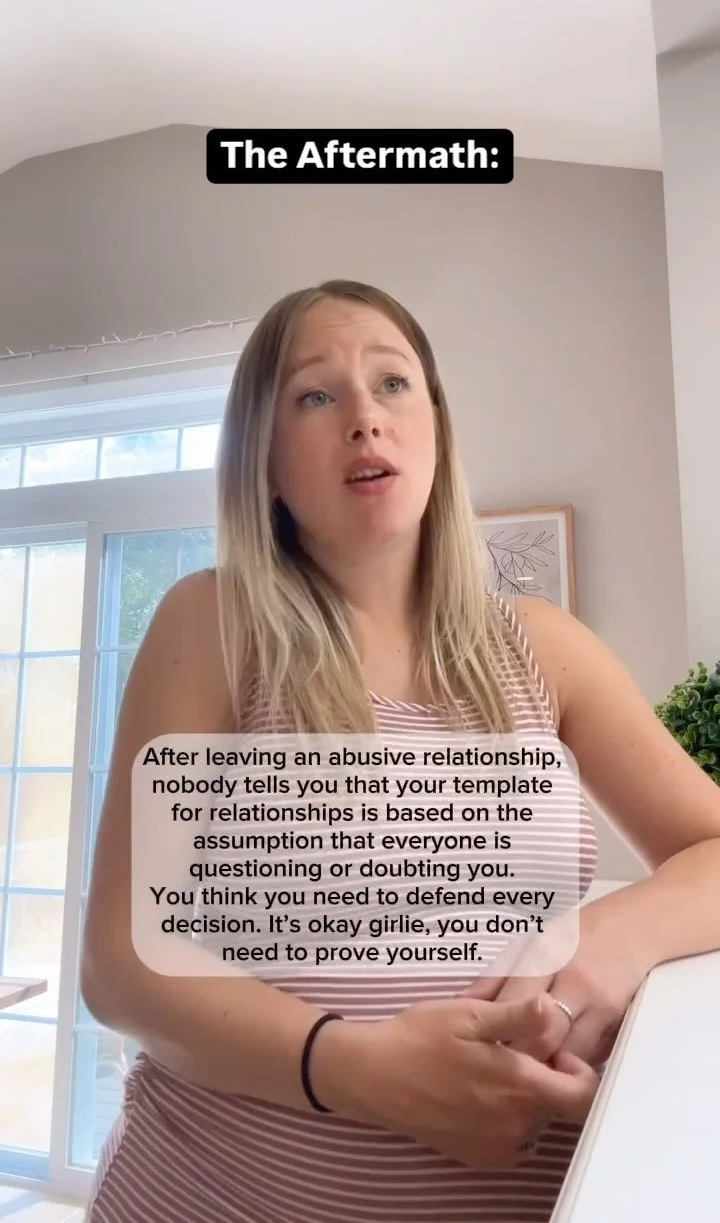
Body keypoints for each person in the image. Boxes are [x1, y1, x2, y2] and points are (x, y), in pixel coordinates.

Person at [81, 279, 720, 1223]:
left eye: (392, 383)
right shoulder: (213, 624)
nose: (364, 418)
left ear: (437, 431)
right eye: (315, 395)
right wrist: (358, 1069)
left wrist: (615, 937)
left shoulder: (547, 649)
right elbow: (120, 968)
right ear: (265, 460)